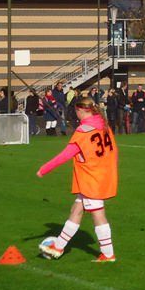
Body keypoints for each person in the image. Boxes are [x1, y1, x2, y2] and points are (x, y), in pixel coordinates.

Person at [36, 95, 118, 262]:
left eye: (76, 112)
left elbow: (65, 155)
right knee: (77, 209)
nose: (76, 115)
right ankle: (58, 247)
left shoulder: (83, 132)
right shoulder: (104, 126)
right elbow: (114, 152)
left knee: (98, 214)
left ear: (81, 110)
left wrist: (43, 169)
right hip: (102, 175)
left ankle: (108, 254)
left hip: (91, 178)